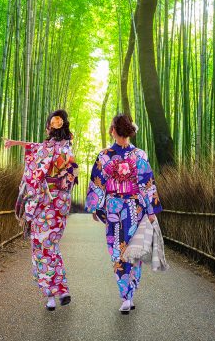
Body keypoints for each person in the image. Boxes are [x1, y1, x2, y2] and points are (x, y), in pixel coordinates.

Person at [84, 114, 162, 314]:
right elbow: (147, 184)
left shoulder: (104, 155)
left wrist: (95, 206)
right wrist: (151, 211)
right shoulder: (140, 155)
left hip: (115, 208)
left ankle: (126, 295)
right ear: (129, 131)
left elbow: (97, 183)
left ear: (113, 130)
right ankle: (130, 293)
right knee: (134, 249)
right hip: (135, 208)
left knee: (118, 251)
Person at [4, 110, 78, 311]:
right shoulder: (50, 147)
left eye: (57, 121)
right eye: (53, 121)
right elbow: (34, 149)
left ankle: (54, 293)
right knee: (46, 247)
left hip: (52, 202)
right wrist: (15, 143)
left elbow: (69, 171)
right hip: (45, 202)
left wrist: (56, 181)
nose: (54, 124)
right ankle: (57, 291)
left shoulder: (65, 147)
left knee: (46, 247)